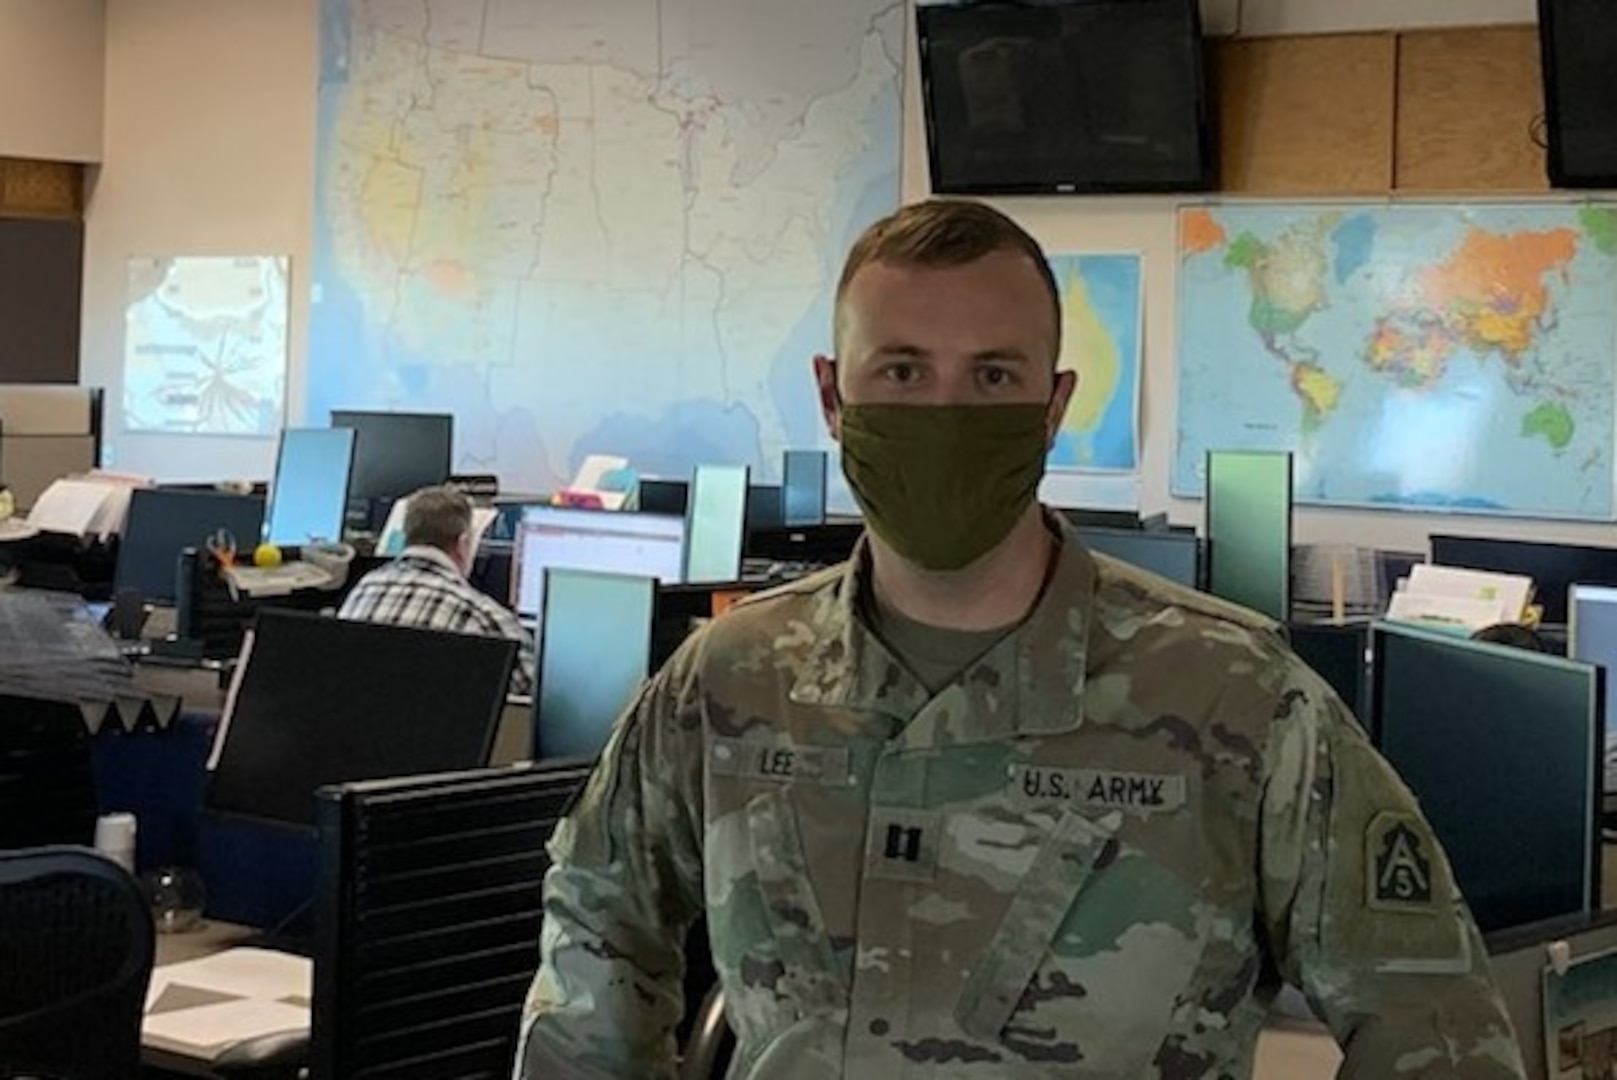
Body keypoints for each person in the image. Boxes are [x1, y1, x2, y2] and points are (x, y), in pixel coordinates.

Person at [515, 199, 1527, 1078]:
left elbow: (1434, 1024)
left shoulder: (1238, 698)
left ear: (1054, 406)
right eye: (903, 372)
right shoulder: (727, 682)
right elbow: (601, 929)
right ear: (833, 396)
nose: (947, 411)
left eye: (993, 377)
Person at [338, 484, 534, 694]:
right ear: (463, 543)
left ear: (407, 536)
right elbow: (533, 688)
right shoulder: (482, 615)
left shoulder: (365, 589)